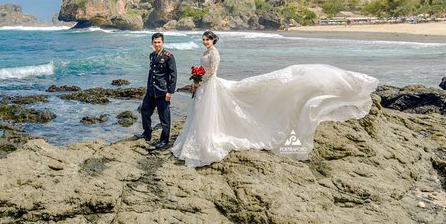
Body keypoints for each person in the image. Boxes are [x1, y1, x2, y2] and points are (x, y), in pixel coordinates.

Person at [171, 31, 379, 168]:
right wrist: (198, 79)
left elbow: (213, 72)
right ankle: (198, 139)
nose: (205, 41)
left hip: (210, 84)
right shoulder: (205, 52)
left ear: (214, 41)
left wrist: (199, 79)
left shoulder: (214, 54)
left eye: (208, 39)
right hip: (205, 86)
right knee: (204, 114)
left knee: (218, 110)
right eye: (204, 39)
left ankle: (209, 139)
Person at [134, 32, 177, 149]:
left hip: (162, 91)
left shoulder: (168, 56)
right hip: (151, 90)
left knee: (164, 117)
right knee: (144, 111)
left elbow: (173, 75)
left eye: (159, 42)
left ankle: (164, 140)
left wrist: (170, 92)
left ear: (163, 43)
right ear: (152, 43)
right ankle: (147, 134)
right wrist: (148, 88)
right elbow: (151, 74)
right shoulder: (152, 55)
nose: (157, 44)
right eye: (155, 42)